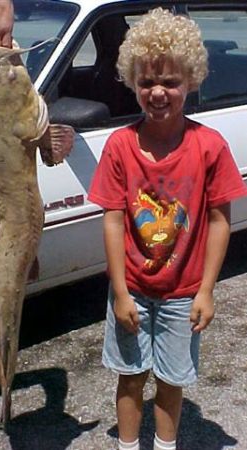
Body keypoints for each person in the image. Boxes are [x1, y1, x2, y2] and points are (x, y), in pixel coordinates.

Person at [88, 7, 247, 450]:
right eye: (147, 82)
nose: (158, 92)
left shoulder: (209, 147)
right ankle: (126, 445)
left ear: (191, 81)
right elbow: (114, 219)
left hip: (183, 294)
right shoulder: (120, 146)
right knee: (131, 377)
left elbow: (219, 220)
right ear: (133, 82)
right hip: (133, 289)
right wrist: (119, 291)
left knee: (172, 380)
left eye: (171, 82)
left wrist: (207, 290)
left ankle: (164, 445)